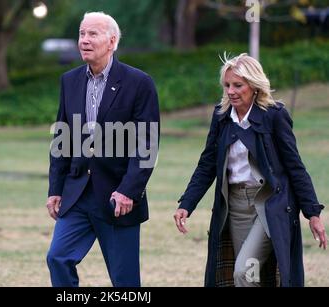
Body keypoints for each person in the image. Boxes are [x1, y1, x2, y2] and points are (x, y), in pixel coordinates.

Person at [174, 53, 326, 287]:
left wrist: (312, 212)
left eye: (238, 85)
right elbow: (207, 164)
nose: (231, 91)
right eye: (227, 86)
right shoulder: (221, 116)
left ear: (254, 86)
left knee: (244, 273)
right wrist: (187, 204)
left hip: (269, 206)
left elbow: (295, 167)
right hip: (234, 207)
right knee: (253, 276)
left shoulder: (275, 116)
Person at [46, 12, 160, 287]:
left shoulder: (139, 82)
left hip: (117, 197)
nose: (84, 40)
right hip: (77, 194)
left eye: (92, 34)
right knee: (57, 258)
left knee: (125, 281)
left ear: (112, 42)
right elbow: (62, 138)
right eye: (82, 34)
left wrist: (129, 190)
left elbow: (147, 144)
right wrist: (55, 189)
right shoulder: (69, 81)